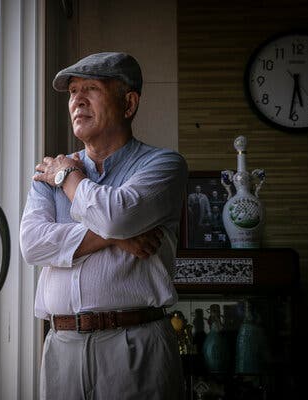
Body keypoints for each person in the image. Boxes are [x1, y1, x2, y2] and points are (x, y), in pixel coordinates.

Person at [20, 52, 188, 400]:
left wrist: (68, 177)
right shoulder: (46, 171)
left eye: (91, 88)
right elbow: (32, 244)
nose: (77, 100)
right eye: (72, 92)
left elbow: (116, 216)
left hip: (135, 345)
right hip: (61, 345)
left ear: (128, 104)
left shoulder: (164, 165)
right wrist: (117, 238)